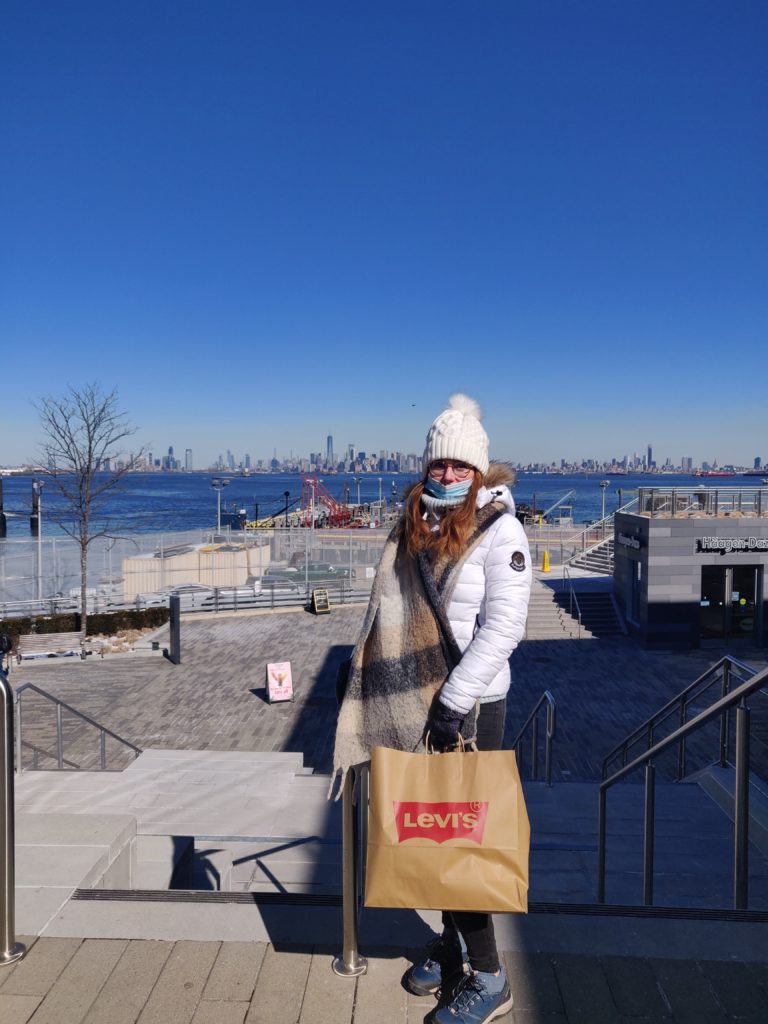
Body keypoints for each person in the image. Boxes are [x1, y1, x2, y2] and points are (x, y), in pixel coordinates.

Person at [333, 393, 532, 1024]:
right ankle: (452, 949)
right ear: (428, 468)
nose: (448, 475)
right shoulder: (413, 523)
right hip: (417, 702)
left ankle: (493, 978)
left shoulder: (503, 530)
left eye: (461, 467)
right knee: (432, 829)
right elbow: (390, 611)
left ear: (481, 472)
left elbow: (504, 627)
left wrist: (452, 700)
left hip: (471, 707)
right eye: (439, 465)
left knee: (461, 841)